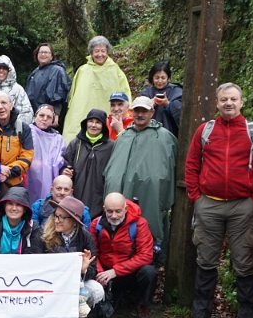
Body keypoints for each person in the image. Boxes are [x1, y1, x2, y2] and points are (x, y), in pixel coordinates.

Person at [183, 83, 253, 318]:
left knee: (244, 263)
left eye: (233, 99)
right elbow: (191, 164)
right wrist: (196, 197)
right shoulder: (206, 130)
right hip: (209, 204)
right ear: (217, 102)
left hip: (241, 205)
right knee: (206, 260)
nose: (228, 103)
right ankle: (201, 315)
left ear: (241, 102)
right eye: (224, 99)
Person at [103, 95, 176, 256]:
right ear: (131, 112)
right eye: (137, 111)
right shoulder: (124, 136)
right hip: (122, 197)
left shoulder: (164, 137)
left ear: (152, 112)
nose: (140, 115)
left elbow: (171, 169)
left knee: (148, 236)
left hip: (151, 198)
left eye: (144, 111)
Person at [30, 195, 106, 318]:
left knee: (97, 290)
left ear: (74, 220)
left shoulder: (85, 237)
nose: (57, 220)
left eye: (62, 217)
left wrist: (83, 270)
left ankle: (79, 316)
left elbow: (92, 270)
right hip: (48, 282)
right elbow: (34, 263)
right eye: (56, 215)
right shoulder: (42, 234)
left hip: (74, 283)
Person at [91, 191, 157, 318]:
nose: (114, 216)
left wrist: (116, 271)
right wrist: (100, 272)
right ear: (104, 209)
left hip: (129, 272)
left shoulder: (139, 224)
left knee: (149, 272)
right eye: (109, 211)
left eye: (118, 211)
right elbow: (91, 253)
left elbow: (146, 255)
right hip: (106, 272)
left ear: (125, 209)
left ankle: (143, 307)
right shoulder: (95, 225)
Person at [63, 36, 132, 138]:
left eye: (103, 51)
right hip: (84, 111)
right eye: (96, 51)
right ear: (91, 53)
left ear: (107, 52)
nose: (100, 54)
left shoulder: (115, 70)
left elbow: (125, 92)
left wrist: (127, 109)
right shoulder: (82, 70)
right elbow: (73, 95)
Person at [60, 109, 114, 218]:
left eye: (98, 122)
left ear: (103, 126)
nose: (93, 125)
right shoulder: (76, 143)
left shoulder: (111, 146)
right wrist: (65, 170)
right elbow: (65, 162)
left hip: (98, 196)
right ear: (86, 123)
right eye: (91, 121)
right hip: (76, 193)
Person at [0, 186, 36, 255]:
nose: (14, 208)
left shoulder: (33, 227)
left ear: (25, 209)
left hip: (22, 265)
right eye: (10, 204)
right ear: (4, 206)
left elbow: (33, 257)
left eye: (18, 205)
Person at [25, 43, 72, 126]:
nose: (43, 54)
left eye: (46, 52)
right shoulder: (35, 72)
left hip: (49, 117)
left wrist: (56, 115)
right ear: (37, 55)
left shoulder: (57, 71)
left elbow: (60, 94)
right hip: (35, 116)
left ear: (51, 56)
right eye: (41, 52)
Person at [27, 104, 65, 202]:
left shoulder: (58, 138)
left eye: (49, 117)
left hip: (49, 179)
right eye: (41, 115)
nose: (44, 119)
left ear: (53, 120)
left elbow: (63, 158)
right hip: (28, 176)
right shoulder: (27, 131)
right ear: (35, 116)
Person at [139, 62, 183, 137]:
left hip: (171, 133)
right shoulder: (146, 93)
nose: (160, 81)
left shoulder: (177, 91)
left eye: (163, 78)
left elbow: (182, 114)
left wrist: (168, 104)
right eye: (157, 78)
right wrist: (149, 103)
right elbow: (138, 113)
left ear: (168, 78)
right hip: (149, 134)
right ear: (152, 78)